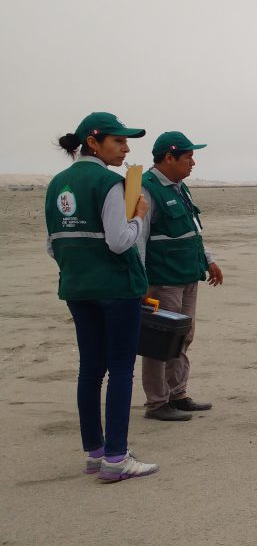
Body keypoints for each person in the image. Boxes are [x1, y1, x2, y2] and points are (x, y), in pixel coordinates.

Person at [45, 112, 159, 482]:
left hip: (77, 287)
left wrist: (80, 266)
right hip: (117, 288)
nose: (126, 149)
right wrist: (139, 215)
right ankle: (116, 457)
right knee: (121, 368)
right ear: (93, 142)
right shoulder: (111, 182)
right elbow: (119, 240)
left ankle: (95, 452)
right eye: (119, 141)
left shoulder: (57, 184)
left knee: (90, 369)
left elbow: (53, 244)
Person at [136, 131, 223, 421]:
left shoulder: (180, 188)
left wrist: (209, 260)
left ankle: (178, 394)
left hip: (188, 273)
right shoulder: (146, 189)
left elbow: (192, 231)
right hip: (163, 279)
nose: (193, 163)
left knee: (183, 337)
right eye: (188, 157)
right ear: (168, 157)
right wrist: (140, 281)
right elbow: (138, 239)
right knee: (160, 340)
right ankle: (157, 403)